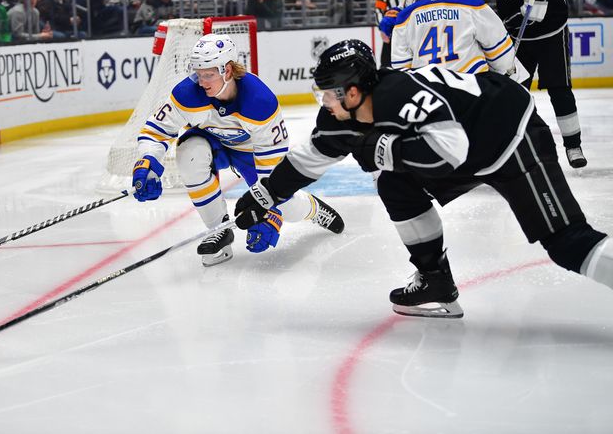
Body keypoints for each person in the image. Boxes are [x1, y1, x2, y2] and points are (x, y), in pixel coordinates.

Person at [234, 39, 613, 318]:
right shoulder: (340, 119)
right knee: (393, 182)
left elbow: (452, 150)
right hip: (470, 147)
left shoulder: (400, 96)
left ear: (352, 91)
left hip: (509, 134)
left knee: (567, 244)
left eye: (328, 95)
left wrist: (385, 151)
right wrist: (264, 197)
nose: (324, 104)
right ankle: (435, 278)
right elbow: (308, 160)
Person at [131, 33, 345, 267]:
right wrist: (148, 160)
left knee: (288, 207)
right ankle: (219, 231)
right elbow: (157, 130)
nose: (202, 82)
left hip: (251, 155)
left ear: (228, 71)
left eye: (209, 74)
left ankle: (311, 208)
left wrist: (268, 213)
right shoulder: (187, 93)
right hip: (213, 146)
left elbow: (271, 169)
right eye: (199, 74)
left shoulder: (260, 102)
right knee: (189, 153)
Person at [459, 0, 587, 168]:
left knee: (559, 89)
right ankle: (508, 146)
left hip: (549, 34)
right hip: (519, 34)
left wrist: (503, 26)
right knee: (513, 92)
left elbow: (536, 9)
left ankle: (573, 146)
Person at [390, 0, 528, 81]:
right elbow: (496, 43)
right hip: (470, 83)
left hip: (430, 91)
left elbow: (401, 67)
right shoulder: (469, 2)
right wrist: (506, 70)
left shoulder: (405, 16)